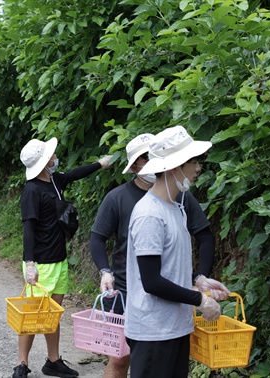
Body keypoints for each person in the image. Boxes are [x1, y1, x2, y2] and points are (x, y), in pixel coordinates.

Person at [90, 133, 226, 378]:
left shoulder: (176, 207)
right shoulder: (149, 214)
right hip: (154, 331)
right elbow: (151, 281)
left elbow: (169, 266)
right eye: (193, 162)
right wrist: (200, 301)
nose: (198, 168)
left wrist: (199, 281)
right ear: (174, 166)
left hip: (175, 327)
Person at [15, 137, 112, 378]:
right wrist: (29, 263)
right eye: (52, 155)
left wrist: (101, 164)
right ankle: (22, 364)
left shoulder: (55, 181)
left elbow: (75, 174)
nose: (56, 157)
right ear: (45, 161)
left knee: (53, 313)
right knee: (33, 317)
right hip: (41, 265)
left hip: (59, 260)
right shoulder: (31, 191)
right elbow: (28, 229)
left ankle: (53, 360)